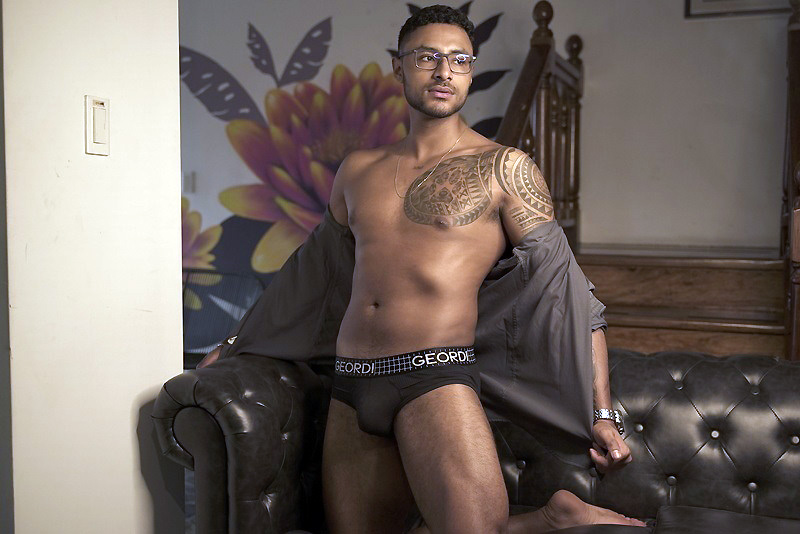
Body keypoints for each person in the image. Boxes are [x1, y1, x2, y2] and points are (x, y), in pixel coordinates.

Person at [201, 5, 647, 533]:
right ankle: (551, 516)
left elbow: (571, 293)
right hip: (352, 383)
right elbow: (311, 277)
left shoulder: (504, 168)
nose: (443, 71)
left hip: (433, 375)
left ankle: (553, 516)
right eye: (428, 56)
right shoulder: (357, 170)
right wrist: (236, 344)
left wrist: (601, 414)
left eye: (459, 60)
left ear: (471, 72)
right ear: (399, 66)